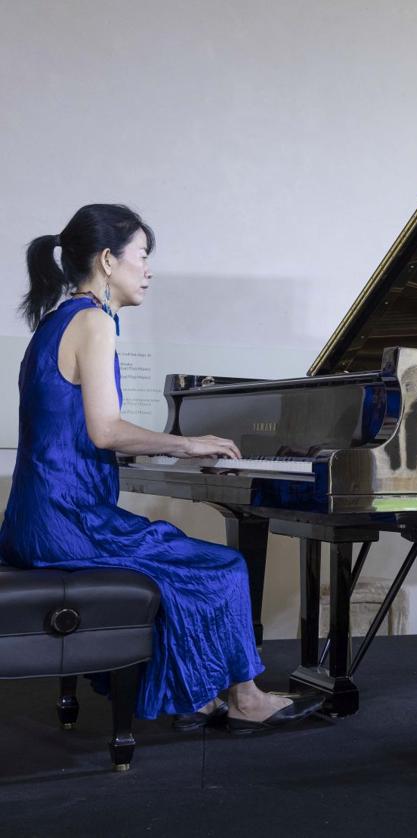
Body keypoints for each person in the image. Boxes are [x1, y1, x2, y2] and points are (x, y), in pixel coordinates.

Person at [0, 204, 323, 733]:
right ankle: (244, 698)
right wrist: (189, 443)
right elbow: (106, 431)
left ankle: (192, 693)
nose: (148, 271)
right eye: (142, 257)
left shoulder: (54, 322)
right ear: (108, 260)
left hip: (32, 522)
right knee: (222, 568)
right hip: (68, 524)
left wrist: (173, 451)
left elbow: (76, 436)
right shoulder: (93, 321)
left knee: (171, 552)